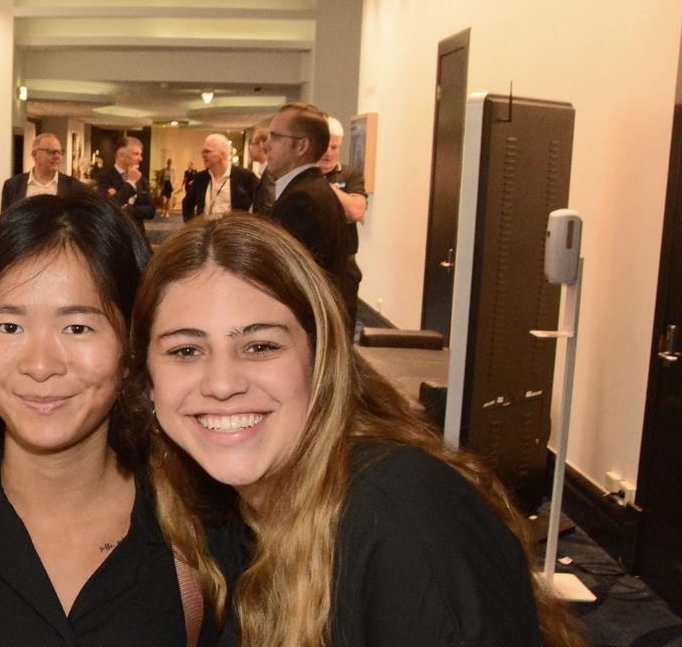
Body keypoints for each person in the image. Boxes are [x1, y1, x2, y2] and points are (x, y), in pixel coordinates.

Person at [128, 213, 589, 647]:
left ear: (321, 359)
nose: (223, 384)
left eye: (260, 346)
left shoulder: (401, 513)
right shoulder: (217, 507)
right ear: (148, 379)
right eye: (186, 351)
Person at [0, 191, 239, 647]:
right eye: (9, 327)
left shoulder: (208, 536)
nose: (41, 364)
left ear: (131, 348)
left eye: (78, 327)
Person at [264, 103, 348, 293]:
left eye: (276, 137)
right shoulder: (310, 189)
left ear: (302, 146)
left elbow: (291, 280)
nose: (266, 145)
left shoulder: (303, 200)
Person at [320, 116, 368, 327]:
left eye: (335, 147)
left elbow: (356, 211)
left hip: (344, 267)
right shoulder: (301, 178)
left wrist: (325, 188)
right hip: (313, 263)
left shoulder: (351, 175)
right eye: (325, 146)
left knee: (343, 325)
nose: (329, 153)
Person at [181, 134, 258, 221]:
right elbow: (187, 204)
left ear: (223, 154)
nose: (203, 155)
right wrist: (191, 227)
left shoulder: (245, 176)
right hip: (206, 232)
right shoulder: (200, 178)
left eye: (208, 151)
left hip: (234, 232)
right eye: (203, 152)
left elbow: (260, 204)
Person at [0, 132, 84, 212]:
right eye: (51, 152)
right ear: (34, 154)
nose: (57, 157)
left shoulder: (72, 186)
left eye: (60, 152)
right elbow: (5, 222)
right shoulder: (13, 185)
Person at [96, 136, 155, 238]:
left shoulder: (141, 179)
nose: (140, 158)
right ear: (121, 155)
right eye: (136, 154)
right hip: (114, 236)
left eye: (141, 154)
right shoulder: (104, 177)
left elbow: (151, 210)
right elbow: (107, 207)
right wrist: (131, 182)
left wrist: (128, 209)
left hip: (138, 236)